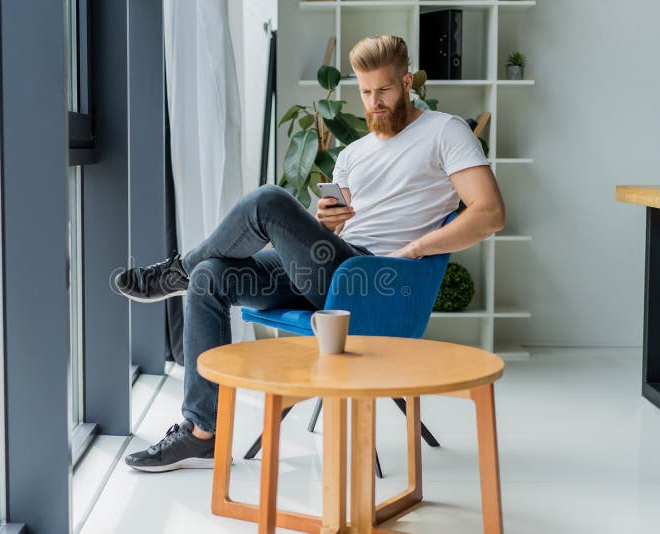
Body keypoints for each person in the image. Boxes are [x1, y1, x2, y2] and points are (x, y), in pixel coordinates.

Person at [113, 35, 505, 472]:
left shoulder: (444, 131)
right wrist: (327, 222)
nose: (374, 102)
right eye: (365, 91)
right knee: (210, 276)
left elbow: (489, 214)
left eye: (385, 91)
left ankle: (173, 272)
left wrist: (412, 250)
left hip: (370, 279)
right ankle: (201, 432)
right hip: (329, 268)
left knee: (267, 199)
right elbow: (339, 227)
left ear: (407, 81)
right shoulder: (353, 153)